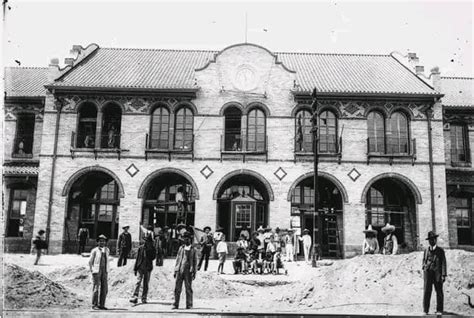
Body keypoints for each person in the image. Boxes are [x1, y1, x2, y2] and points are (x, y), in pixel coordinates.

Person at [422, 231, 447, 315]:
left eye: (433, 239)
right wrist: (424, 267)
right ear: (428, 241)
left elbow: (443, 263)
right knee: (426, 292)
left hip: (437, 274)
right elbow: (424, 260)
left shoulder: (440, 251)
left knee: (439, 292)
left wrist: (443, 275)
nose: (432, 241)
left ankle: (439, 310)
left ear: (436, 240)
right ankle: (425, 310)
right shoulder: (426, 250)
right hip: (428, 273)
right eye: (430, 240)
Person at [172, 231, 197, 310]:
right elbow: (178, 259)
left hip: (188, 271)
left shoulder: (193, 249)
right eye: (184, 239)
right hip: (180, 270)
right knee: (177, 288)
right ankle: (175, 304)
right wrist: (175, 270)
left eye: (187, 239)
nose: (186, 240)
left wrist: (194, 272)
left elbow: (195, 262)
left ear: (190, 239)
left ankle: (189, 304)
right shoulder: (181, 248)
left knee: (188, 288)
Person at [130, 235, 156, 304]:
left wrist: (149, 250)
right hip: (140, 267)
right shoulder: (141, 248)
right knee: (138, 281)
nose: (147, 243)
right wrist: (135, 268)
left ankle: (144, 298)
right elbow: (137, 259)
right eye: (146, 241)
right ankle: (135, 296)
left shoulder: (152, 248)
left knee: (146, 283)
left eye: (148, 241)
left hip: (148, 268)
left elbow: (153, 257)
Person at [89, 235, 110, 310]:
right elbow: (90, 261)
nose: (102, 242)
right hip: (97, 271)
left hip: (105, 270)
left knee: (104, 288)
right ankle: (94, 304)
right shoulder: (94, 250)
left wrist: (107, 270)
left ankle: (102, 304)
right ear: (98, 242)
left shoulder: (107, 250)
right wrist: (92, 270)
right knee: (96, 287)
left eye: (104, 241)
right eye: (100, 241)